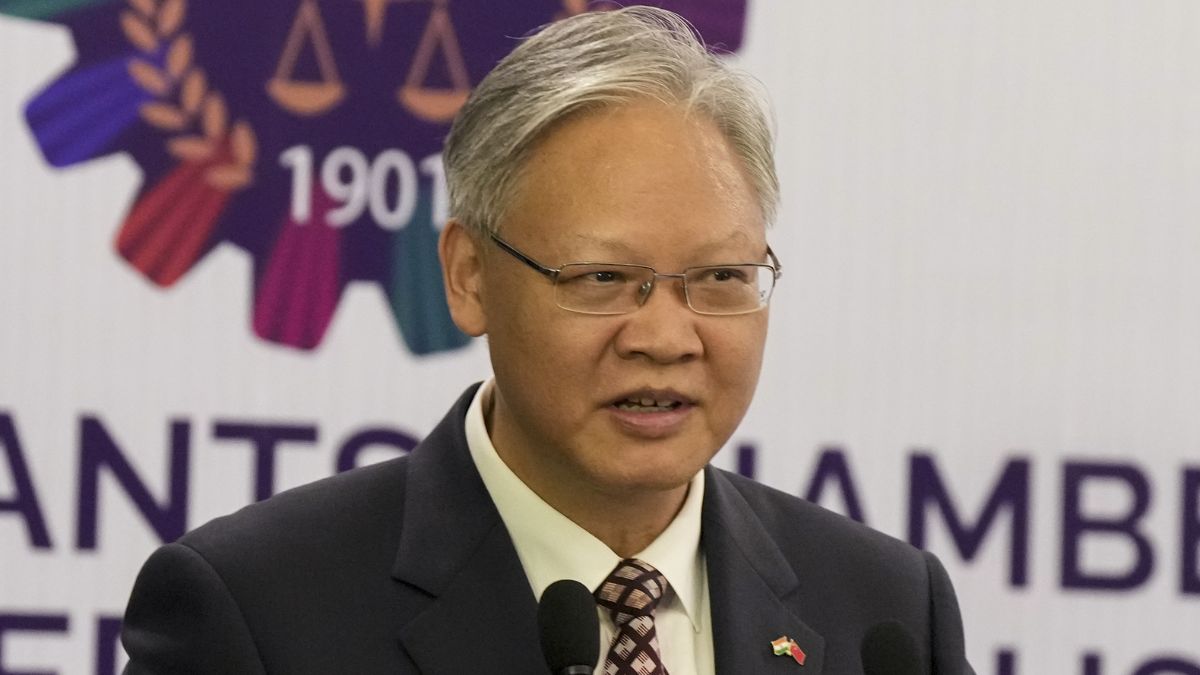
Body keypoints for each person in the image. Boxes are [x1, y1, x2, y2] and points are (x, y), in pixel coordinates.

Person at [120, 7, 974, 674]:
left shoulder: (888, 611)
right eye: (602, 277)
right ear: (469, 276)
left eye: (720, 276)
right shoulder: (257, 611)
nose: (665, 336)